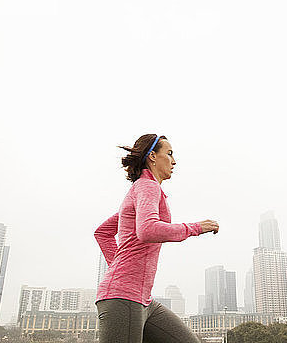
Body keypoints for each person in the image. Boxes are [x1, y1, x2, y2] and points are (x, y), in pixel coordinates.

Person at [94, 134, 219, 343]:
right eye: (169, 154)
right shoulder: (147, 186)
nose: (174, 161)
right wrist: (196, 227)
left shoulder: (141, 191)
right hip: (123, 298)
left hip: (144, 300)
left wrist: (119, 264)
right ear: (152, 156)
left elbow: (103, 232)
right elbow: (148, 229)